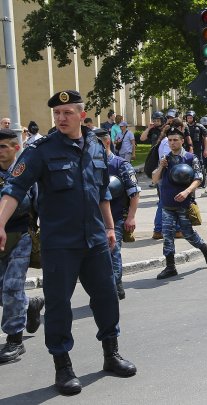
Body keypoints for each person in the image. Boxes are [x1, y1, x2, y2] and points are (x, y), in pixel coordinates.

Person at [0, 90, 136, 395]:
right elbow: (14, 188)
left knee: (106, 297)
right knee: (60, 306)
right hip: (59, 243)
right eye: (57, 114)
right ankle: (63, 367)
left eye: (67, 113)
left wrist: (111, 229)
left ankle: (111, 355)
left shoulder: (95, 146)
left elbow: (102, 192)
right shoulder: (41, 151)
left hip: (96, 240)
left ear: (81, 115)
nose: (61, 118)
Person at [0, 129, 45, 364]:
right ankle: (31, 305)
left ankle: (14, 340)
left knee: (12, 286)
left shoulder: (26, 174)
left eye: (4, 147)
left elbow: (41, 205)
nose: (0, 152)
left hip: (21, 235)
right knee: (3, 290)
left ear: (16, 147)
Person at [151, 127, 207, 280]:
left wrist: (187, 191)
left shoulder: (190, 158)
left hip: (184, 204)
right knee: (167, 235)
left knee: (188, 234)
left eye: (175, 140)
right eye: (170, 140)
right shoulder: (165, 159)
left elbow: (198, 178)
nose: (172, 143)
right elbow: (154, 179)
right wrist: (161, 166)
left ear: (182, 141)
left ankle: (204, 249)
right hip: (167, 203)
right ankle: (170, 267)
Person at [95, 128, 140, 299]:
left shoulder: (121, 165)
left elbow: (134, 193)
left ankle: (115, 286)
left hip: (117, 217)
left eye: (96, 142)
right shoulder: (87, 165)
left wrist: (131, 216)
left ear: (107, 142)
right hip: (95, 220)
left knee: (113, 251)